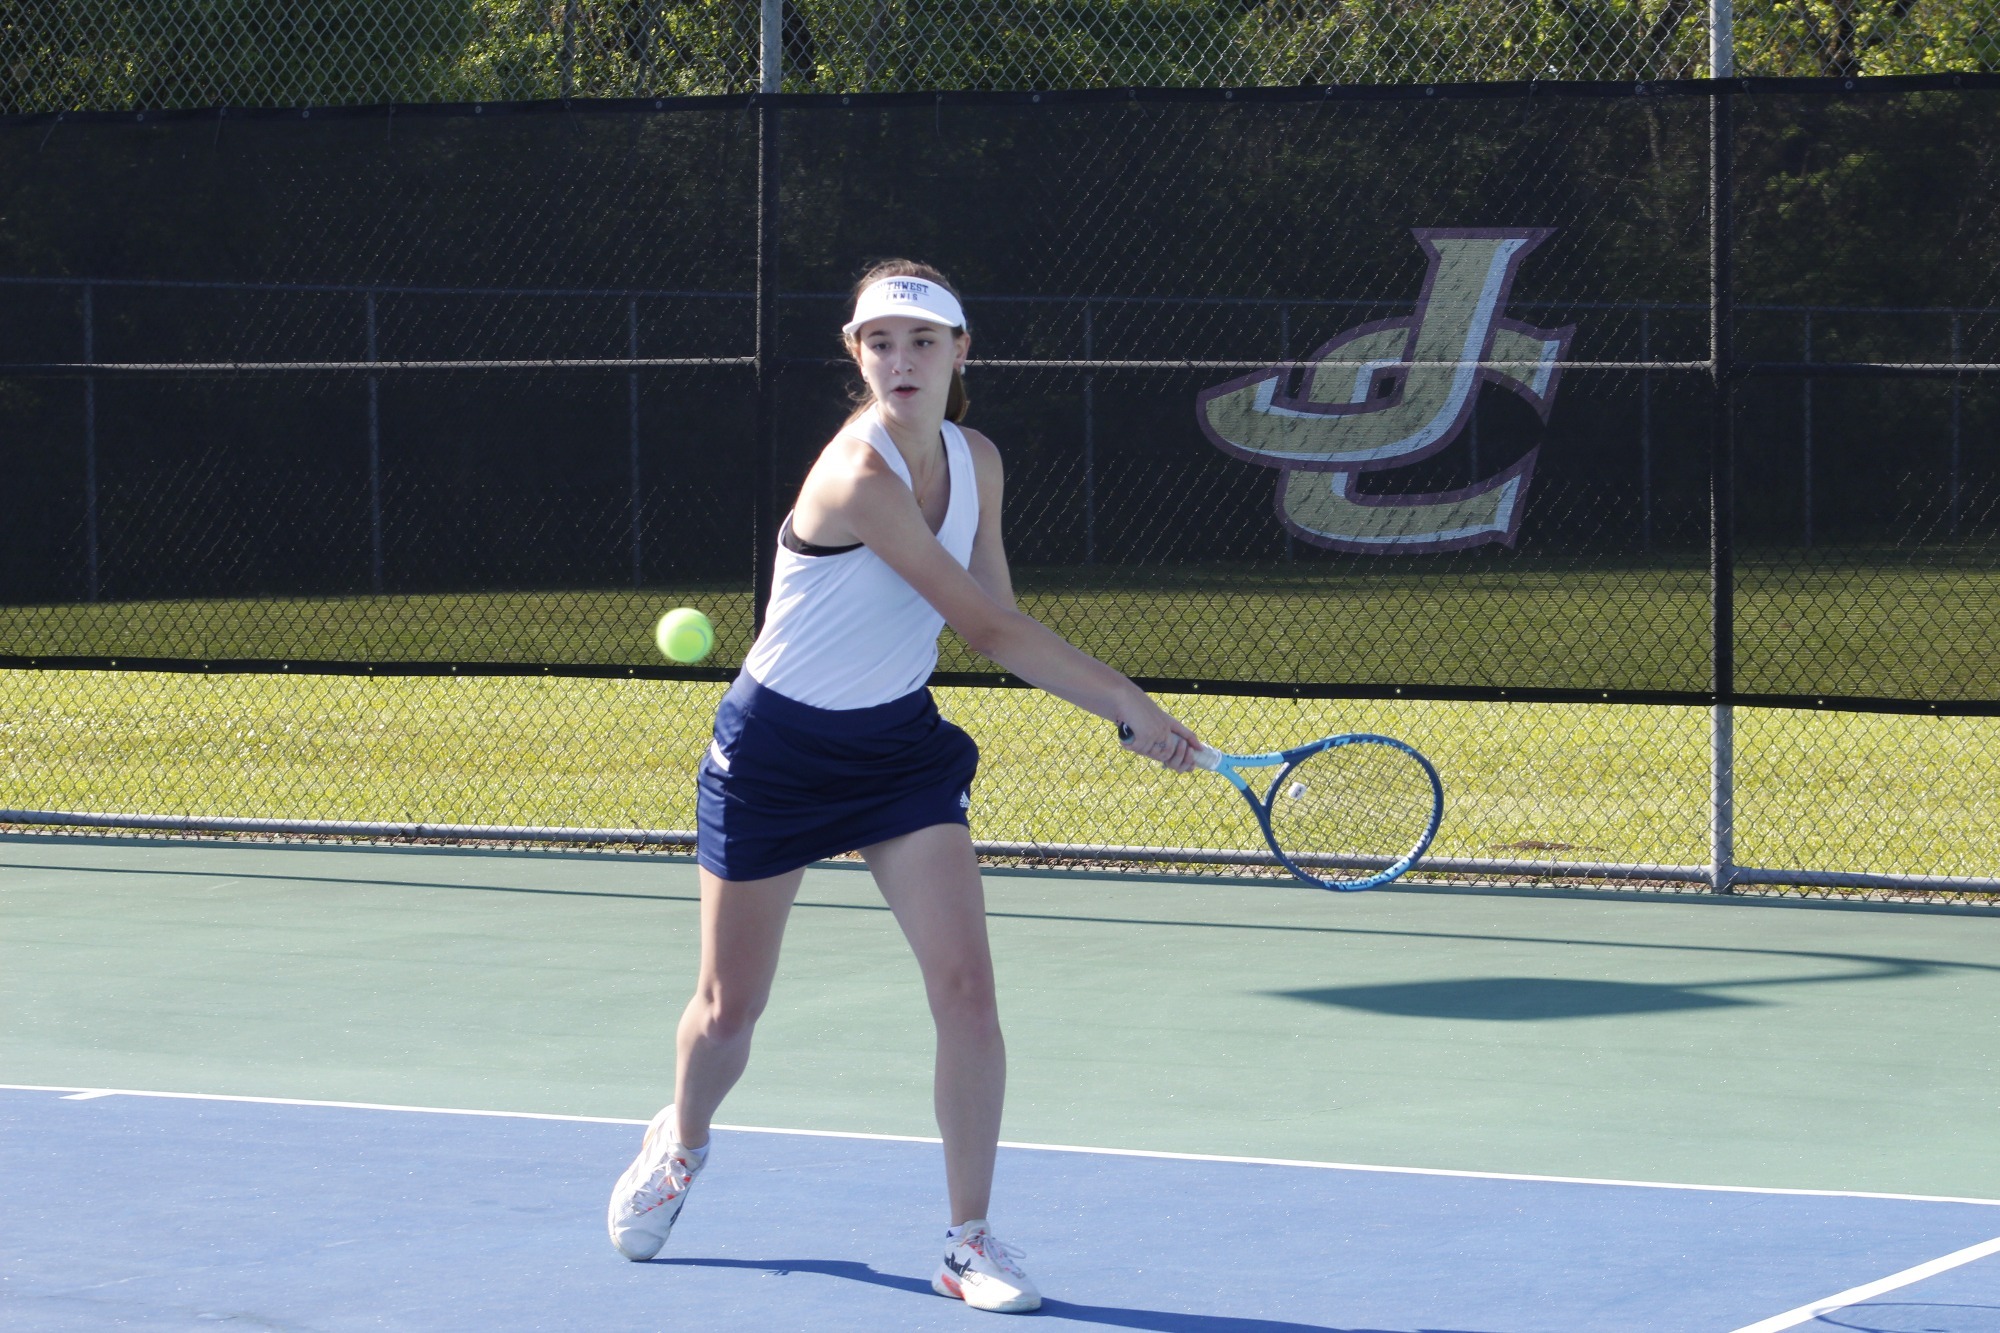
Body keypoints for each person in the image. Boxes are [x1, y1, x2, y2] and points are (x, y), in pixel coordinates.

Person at [607, 259, 1199, 1314]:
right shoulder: (856, 476)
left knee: (966, 991)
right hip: (776, 755)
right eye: (879, 341)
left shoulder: (977, 460)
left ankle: (967, 1239)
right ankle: (682, 1142)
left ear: (961, 353)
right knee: (727, 1009)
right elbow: (979, 626)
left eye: (923, 341)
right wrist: (1127, 704)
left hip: (895, 752)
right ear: (855, 354)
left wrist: (1119, 706)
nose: (901, 359)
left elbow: (998, 612)